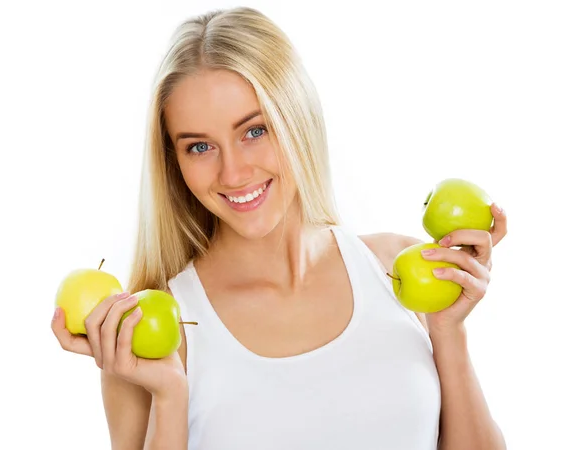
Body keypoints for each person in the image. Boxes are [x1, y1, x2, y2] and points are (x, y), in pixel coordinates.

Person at [51, 6, 508, 450]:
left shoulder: (395, 269)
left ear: (297, 117)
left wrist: (448, 330)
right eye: (200, 147)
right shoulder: (148, 332)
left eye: (254, 131)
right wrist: (170, 399)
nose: (233, 173)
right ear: (174, 162)